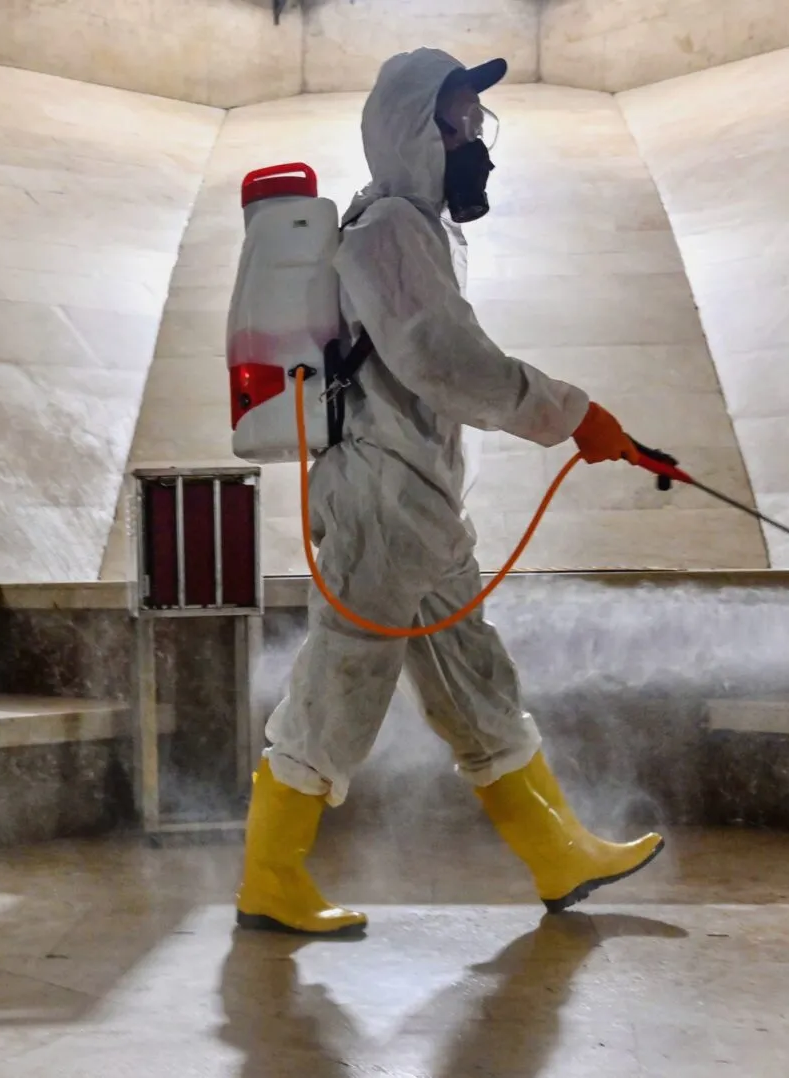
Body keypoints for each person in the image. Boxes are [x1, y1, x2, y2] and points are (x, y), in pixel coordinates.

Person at [235, 48, 664, 938]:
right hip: (382, 499)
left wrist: (568, 418)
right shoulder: (391, 229)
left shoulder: (414, 228)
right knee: (344, 676)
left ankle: (558, 854)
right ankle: (270, 878)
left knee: (474, 679)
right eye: (459, 123)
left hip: (418, 501)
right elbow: (443, 359)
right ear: (413, 132)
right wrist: (572, 414)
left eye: (477, 122)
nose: (476, 142)